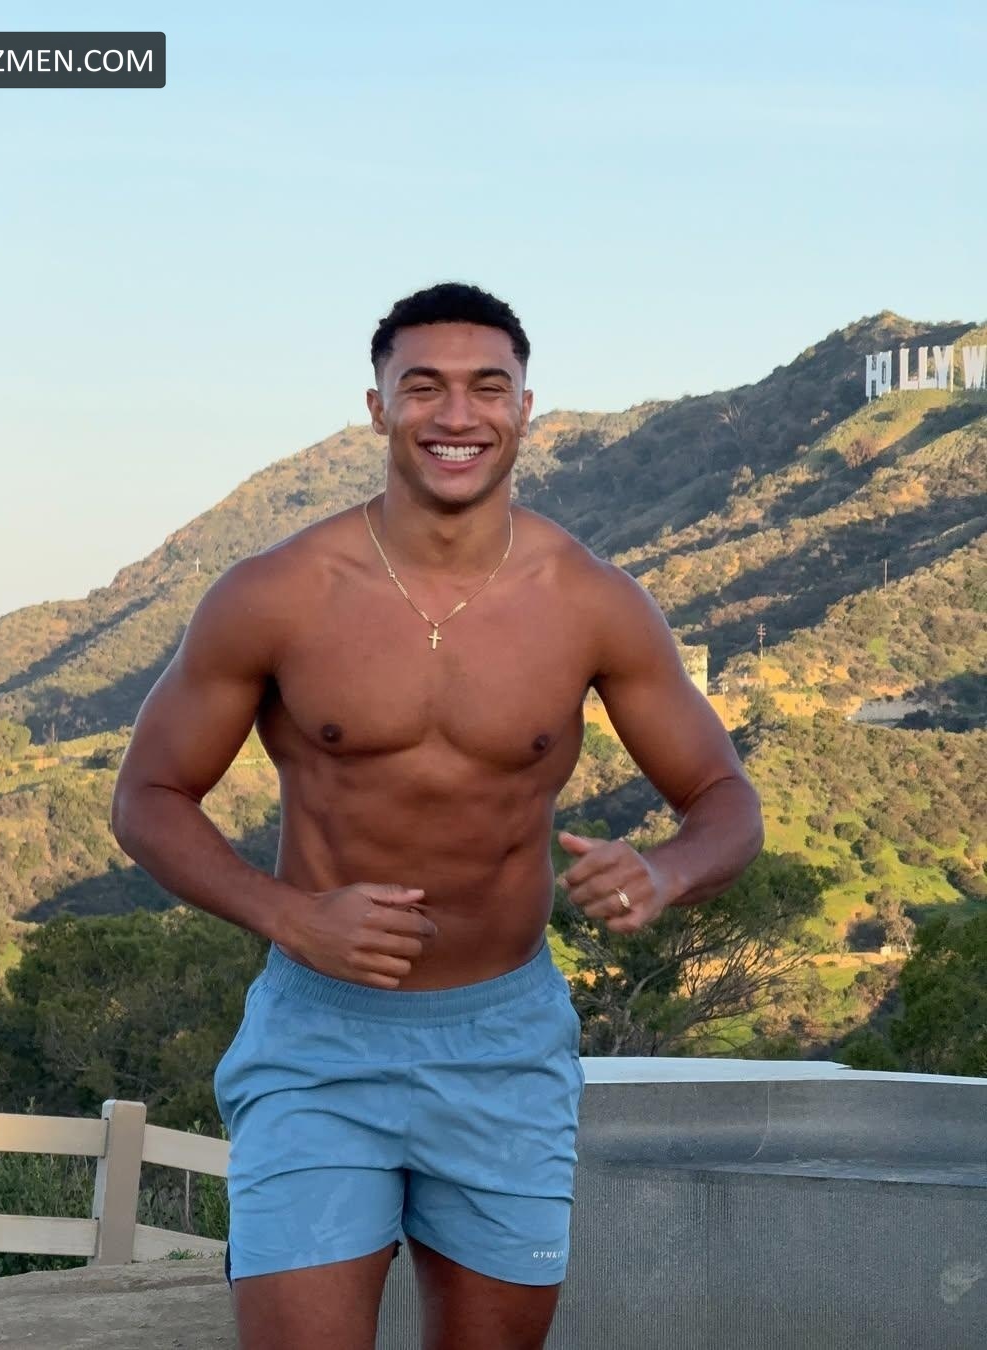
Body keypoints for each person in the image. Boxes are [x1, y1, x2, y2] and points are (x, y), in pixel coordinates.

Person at [110, 281, 764, 1350]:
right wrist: (290, 916)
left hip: (505, 1042)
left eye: (486, 388)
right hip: (320, 1039)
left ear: (525, 409)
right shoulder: (277, 593)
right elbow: (146, 796)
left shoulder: (590, 601)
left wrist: (668, 871)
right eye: (423, 387)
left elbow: (726, 799)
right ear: (378, 407)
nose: (456, 415)